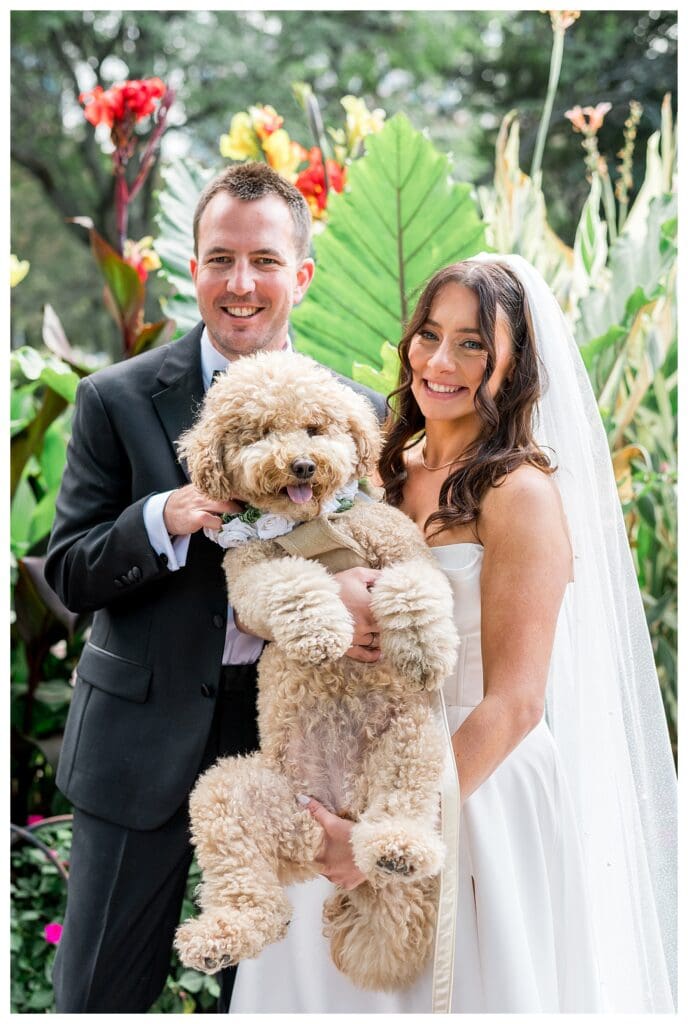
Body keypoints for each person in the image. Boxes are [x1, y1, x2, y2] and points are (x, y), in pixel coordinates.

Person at [229, 254, 677, 1013]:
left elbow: (516, 703)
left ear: (517, 362)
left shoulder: (521, 494)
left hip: (471, 791)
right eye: (429, 335)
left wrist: (381, 836)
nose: (440, 362)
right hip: (341, 777)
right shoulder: (374, 470)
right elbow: (265, 576)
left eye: (473, 343)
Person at [44, 161, 386, 1013]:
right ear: (192, 268)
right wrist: (162, 515)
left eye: (265, 261)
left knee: (267, 999)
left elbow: (383, 555)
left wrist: (354, 596)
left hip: (290, 747)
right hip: (138, 743)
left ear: (300, 275)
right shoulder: (115, 399)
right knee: (97, 996)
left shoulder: (356, 413)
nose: (241, 284)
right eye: (220, 259)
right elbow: (66, 572)